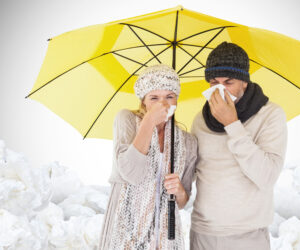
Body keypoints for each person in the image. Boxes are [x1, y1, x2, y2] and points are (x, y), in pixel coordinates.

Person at [190, 42, 288, 250]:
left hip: (247, 235)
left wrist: (232, 124)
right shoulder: (200, 119)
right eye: (214, 82)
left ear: (244, 81)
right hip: (203, 233)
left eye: (229, 82)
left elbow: (267, 176)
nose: (220, 89)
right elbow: (192, 172)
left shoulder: (270, 115)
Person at [98, 64, 197, 250]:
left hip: (165, 237)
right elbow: (131, 174)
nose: (163, 104)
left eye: (170, 96)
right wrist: (149, 121)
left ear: (177, 99)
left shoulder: (187, 142)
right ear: (143, 100)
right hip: (126, 231)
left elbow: (183, 202)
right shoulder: (126, 119)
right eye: (154, 98)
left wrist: (180, 191)